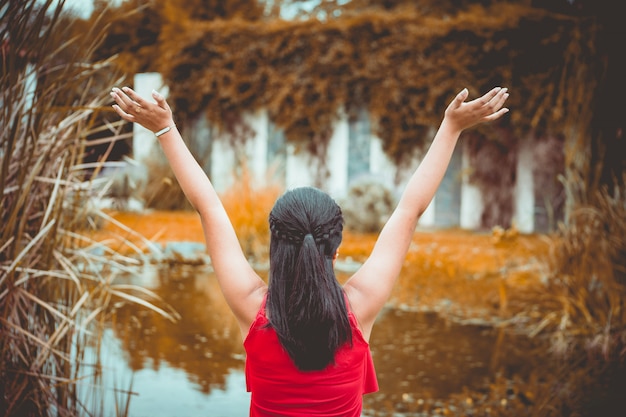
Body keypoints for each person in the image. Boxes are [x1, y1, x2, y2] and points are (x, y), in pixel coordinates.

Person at [110, 85, 509, 416]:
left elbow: (208, 206)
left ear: (274, 250)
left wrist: (165, 129)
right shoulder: (361, 307)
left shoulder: (253, 310)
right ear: (335, 251)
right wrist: (451, 127)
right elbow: (410, 209)